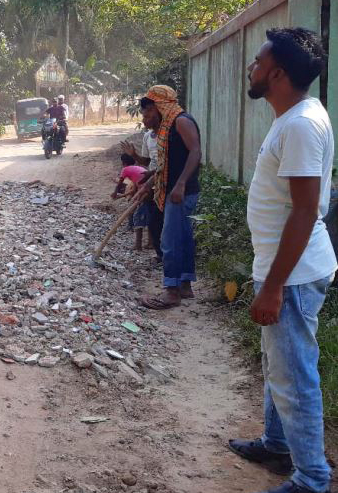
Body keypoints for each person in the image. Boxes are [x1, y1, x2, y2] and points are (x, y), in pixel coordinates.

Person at [228, 28, 336, 493]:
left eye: (257, 62)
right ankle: (276, 443)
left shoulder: (300, 125)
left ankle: (312, 478)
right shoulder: (291, 117)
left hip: (290, 275)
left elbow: (307, 210)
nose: (251, 68)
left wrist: (272, 286)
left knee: (294, 375)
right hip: (282, 268)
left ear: (277, 73)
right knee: (279, 365)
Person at [135, 85, 202, 309]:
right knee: (182, 237)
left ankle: (171, 291)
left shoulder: (181, 121)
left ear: (160, 106)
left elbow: (196, 152)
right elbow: (165, 165)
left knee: (169, 240)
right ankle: (185, 285)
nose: (146, 119)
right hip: (174, 189)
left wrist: (181, 184)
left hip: (181, 191)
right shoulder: (166, 126)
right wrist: (149, 185)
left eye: (148, 113)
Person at [122, 104, 163, 258]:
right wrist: (135, 155)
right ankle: (160, 255)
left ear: (156, 114)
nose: (144, 121)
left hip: (164, 180)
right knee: (152, 221)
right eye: (143, 117)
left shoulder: (167, 136)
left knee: (160, 220)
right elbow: (146, 162)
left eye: (146, 117)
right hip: (151, 184)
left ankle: (164, 255)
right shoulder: (147, 137)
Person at [111, 154, 149, 250]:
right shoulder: (137, 169)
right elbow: (133, 190)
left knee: (137, 216)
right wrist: (121, 197)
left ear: (123, 163)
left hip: (147, 191)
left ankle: (138, 245)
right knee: (148, 217)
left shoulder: (126, 169)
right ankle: (150, 243)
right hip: (150, 189)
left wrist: (115, 193)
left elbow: (119, 184)